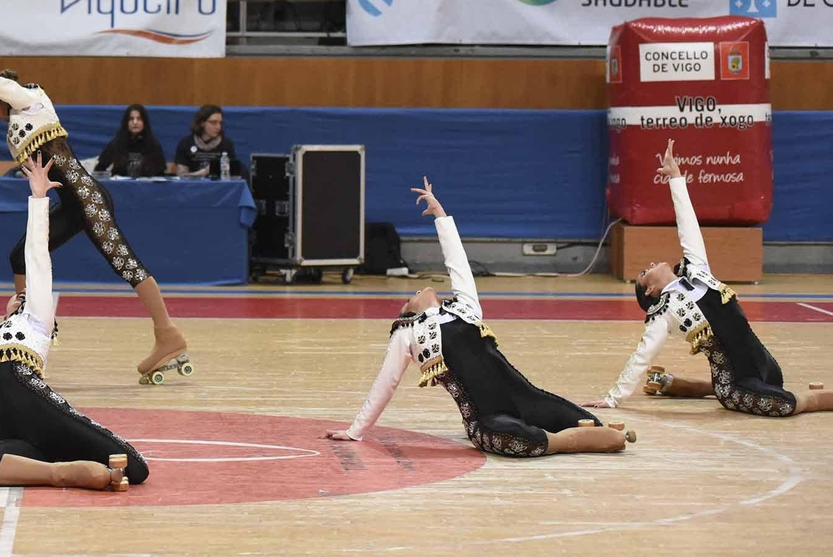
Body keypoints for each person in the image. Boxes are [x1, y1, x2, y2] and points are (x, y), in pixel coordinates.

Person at [0, 29, 190, 383]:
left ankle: (168, 334)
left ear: (2, 96)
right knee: (18, 256)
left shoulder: (29, 99)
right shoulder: (14, 115)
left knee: (127, 264)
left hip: (88, 199)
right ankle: (28, 327)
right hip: (73, 205)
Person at [329, 177, 631, 456]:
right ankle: (564, 442)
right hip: (488, 421)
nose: (418, 290)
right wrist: (356, 431)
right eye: (410, 296)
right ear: (407, 312)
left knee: (584, 419)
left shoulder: (464, 308)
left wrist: (440, 216)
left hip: (527, 399)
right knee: (522, 436)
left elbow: (457, 263)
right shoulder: (408, 333)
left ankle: (581, 435)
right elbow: (386, 383)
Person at [0, 155, 147, 491]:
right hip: (20, 442)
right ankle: (59, 471)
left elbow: (36, 257)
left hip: (31, 397)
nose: (21, 297)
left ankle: (66, 464)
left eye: (26, 297)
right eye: (18, 297)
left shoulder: (36, 320)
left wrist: (38, 200)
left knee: (133, 466)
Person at [584, 141, 833, 417]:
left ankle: (682, 386)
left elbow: (687, 224)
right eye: (645, 273)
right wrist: (613, 398)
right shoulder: (663, 313)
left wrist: (675, 178)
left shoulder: (695, 268)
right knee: (789, 404)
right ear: (652, 290)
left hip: (763, 366)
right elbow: (642, 356)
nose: (651, 264)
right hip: (735, 386)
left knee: (776, 382)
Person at [171, 104, 244, 179]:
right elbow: (182, 176)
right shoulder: (186, 143)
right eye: (214, 122)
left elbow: (233, 176)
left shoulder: (226, 144)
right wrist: (202, 173)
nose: (218, 127)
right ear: (202, 123)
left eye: (220, 123)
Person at [96, 104, 166, 177]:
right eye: (131, 119)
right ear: (126, 123)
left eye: (139, 119)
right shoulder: (117, 143)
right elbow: (99, 169)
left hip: (146, 187)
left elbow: (160, 174)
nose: (135, 122)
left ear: (144, 122)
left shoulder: (153, 144)